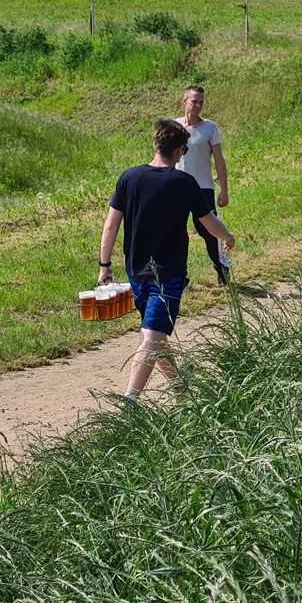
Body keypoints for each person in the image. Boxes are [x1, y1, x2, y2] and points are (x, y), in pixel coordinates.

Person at [98, 118, 235, 401]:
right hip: (168, 273)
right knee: (151, 337)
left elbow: (111, 225)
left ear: (156, 145)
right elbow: (209, 222)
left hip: (136, 271)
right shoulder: (183, 182)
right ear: (179, 151)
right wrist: (228, 236)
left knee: (154, 334)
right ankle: (130, 402)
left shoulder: (129, 177)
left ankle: (182, 393)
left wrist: (105, 266)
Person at [175, 85, 232, 286]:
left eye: (201, 102)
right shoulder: (174, 126)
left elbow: (219, 160)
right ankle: (180, 277)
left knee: (209, 231)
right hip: (177, 187)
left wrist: (224, 190)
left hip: (203, 187)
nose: (198, 105)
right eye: (194, 101)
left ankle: (222, 271)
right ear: (185, 102)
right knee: (177, 233)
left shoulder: (210, 128)